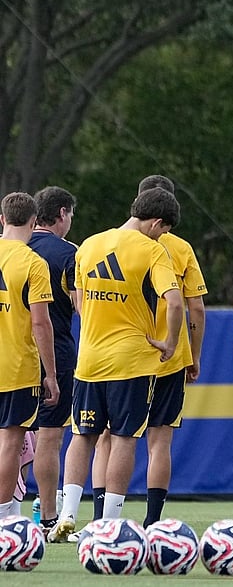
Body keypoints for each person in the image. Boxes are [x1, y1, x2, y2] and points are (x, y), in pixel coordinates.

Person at [48, 188, 184, 541]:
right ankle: (107, 523)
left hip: (89, 359)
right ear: (156, 222)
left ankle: (68, 514)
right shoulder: (153, 250)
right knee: (124, 438)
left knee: (82, 436)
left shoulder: (89, 244)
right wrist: (169, 342)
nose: (163, 236)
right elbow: (175, 301)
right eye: (164, 229)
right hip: (131, 362)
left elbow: (76, 297)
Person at [135, 175, 207, 527]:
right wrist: (193, 353)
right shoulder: (180, 248)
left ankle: (102, 517)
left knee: (106, 437)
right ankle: (152, 520)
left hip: (124, 354)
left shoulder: (108, 242)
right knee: (159, 440)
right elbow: (196, 308)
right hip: (169, 356)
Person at [0, 192, 59, 518]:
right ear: (34, 222)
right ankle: (5, 516)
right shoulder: (33, 263)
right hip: (16, 366)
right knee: (10, 442)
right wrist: (50, 374)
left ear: (2, 219)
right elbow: (40, 322)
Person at [27, 186, 77, 531]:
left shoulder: (13, 248)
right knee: (49, 435)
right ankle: (47, 515)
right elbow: (81, 304)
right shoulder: (68, 253)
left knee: (10, 434)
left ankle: (10, 512)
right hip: (54, 352)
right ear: (61, 213)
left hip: (13, 350)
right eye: (70, 214)